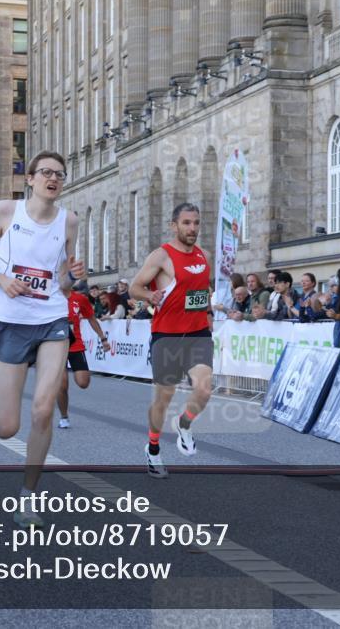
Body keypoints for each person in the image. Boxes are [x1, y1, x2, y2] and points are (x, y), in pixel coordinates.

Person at [0, 150, 84, 528]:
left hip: (52, 318)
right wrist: (3, 281)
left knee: (44, 408)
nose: (53, 179)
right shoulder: (6, 212)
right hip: (12, 321)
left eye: (60, 174)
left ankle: (28, 498)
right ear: (29, 179)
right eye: (46, 172)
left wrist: (73, 276)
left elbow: (64, 280)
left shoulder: (69, 221)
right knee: (8, 427)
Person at [130, 203, 213, 479]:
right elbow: (134, 287)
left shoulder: (204, 254)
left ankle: (184, 424)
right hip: (167, 336)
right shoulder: (161, 256)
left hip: (198, 333)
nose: (193, 228)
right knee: (163, 398)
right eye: (187, 223)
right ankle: (153, 446)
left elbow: (201, 290)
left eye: (196, 223)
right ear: (174, 225)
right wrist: (149, 296)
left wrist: (208, 307)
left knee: (203, 390)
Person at [57, 287, 111, 429]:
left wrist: (103, 339)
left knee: (83, 382)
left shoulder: (80, 299)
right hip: (56, 346)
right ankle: (64, 417)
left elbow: (92, 319)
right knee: (62, 385)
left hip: (75, 345)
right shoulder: (52, 296)